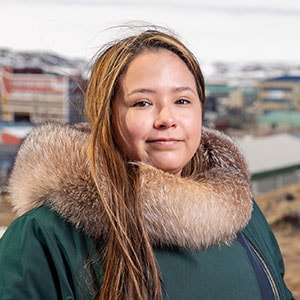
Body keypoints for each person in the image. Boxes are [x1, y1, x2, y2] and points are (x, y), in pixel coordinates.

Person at [0, 26, 294, 300]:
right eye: (142, 103)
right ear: (107, 116)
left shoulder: (243, 215)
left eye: (182, 101)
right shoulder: (44, 236)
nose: (167, 119)